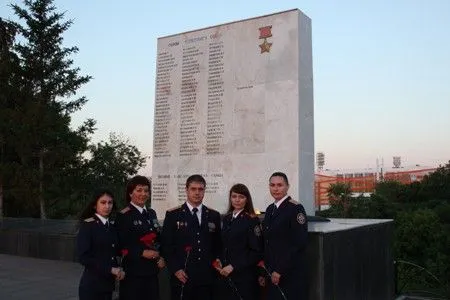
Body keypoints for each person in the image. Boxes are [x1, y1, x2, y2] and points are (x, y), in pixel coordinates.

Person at [162, 174, 222, 300]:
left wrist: (217, 263)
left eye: (200, 189)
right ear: (186, 190)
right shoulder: (173, 215)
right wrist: (176, 269)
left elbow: (218, 245)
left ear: (204, 191)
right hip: (183, 276)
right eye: (193, 189)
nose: (197, 193)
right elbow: (166, 246)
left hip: (207, 278)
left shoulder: (213, 215)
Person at [115, 175, 165, 300]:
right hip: (133, 272)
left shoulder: (151, 213)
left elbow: (158, 237)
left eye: (146, 191)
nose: (143, 194)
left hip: (152, 271)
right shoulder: (124, 215)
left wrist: (162, 256)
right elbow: (119, 244)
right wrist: (141, 252)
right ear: (130, 193)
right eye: (139, 190)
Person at [261, 172, 308, 300]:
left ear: (287, 187)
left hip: (288, 273)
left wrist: (280, 270)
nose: (276, 188)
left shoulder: (295, 208)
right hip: (271, 272)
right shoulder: (270, 209)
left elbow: (298, 243)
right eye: (272, 185)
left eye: (280, 185)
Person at [214, 183, 263, 300]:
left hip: (244, 277)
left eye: (241, 197)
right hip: (225, 274)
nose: (237, 200)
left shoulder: (251, 220)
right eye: (234, 196)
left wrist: (234, 266)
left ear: (247, 199)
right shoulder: (227, 219)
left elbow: (257, 252)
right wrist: (219, 260)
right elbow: (225, 245)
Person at [77, 189, 125, 300]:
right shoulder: (88, 225)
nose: (107, 206)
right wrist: (110, 269)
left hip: (108, 286)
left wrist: (119, 268)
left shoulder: (112, 227)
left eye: (110, 203)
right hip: (92, 286)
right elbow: (83, 257)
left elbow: (115, 252)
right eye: (103, 202)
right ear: (95, 205)